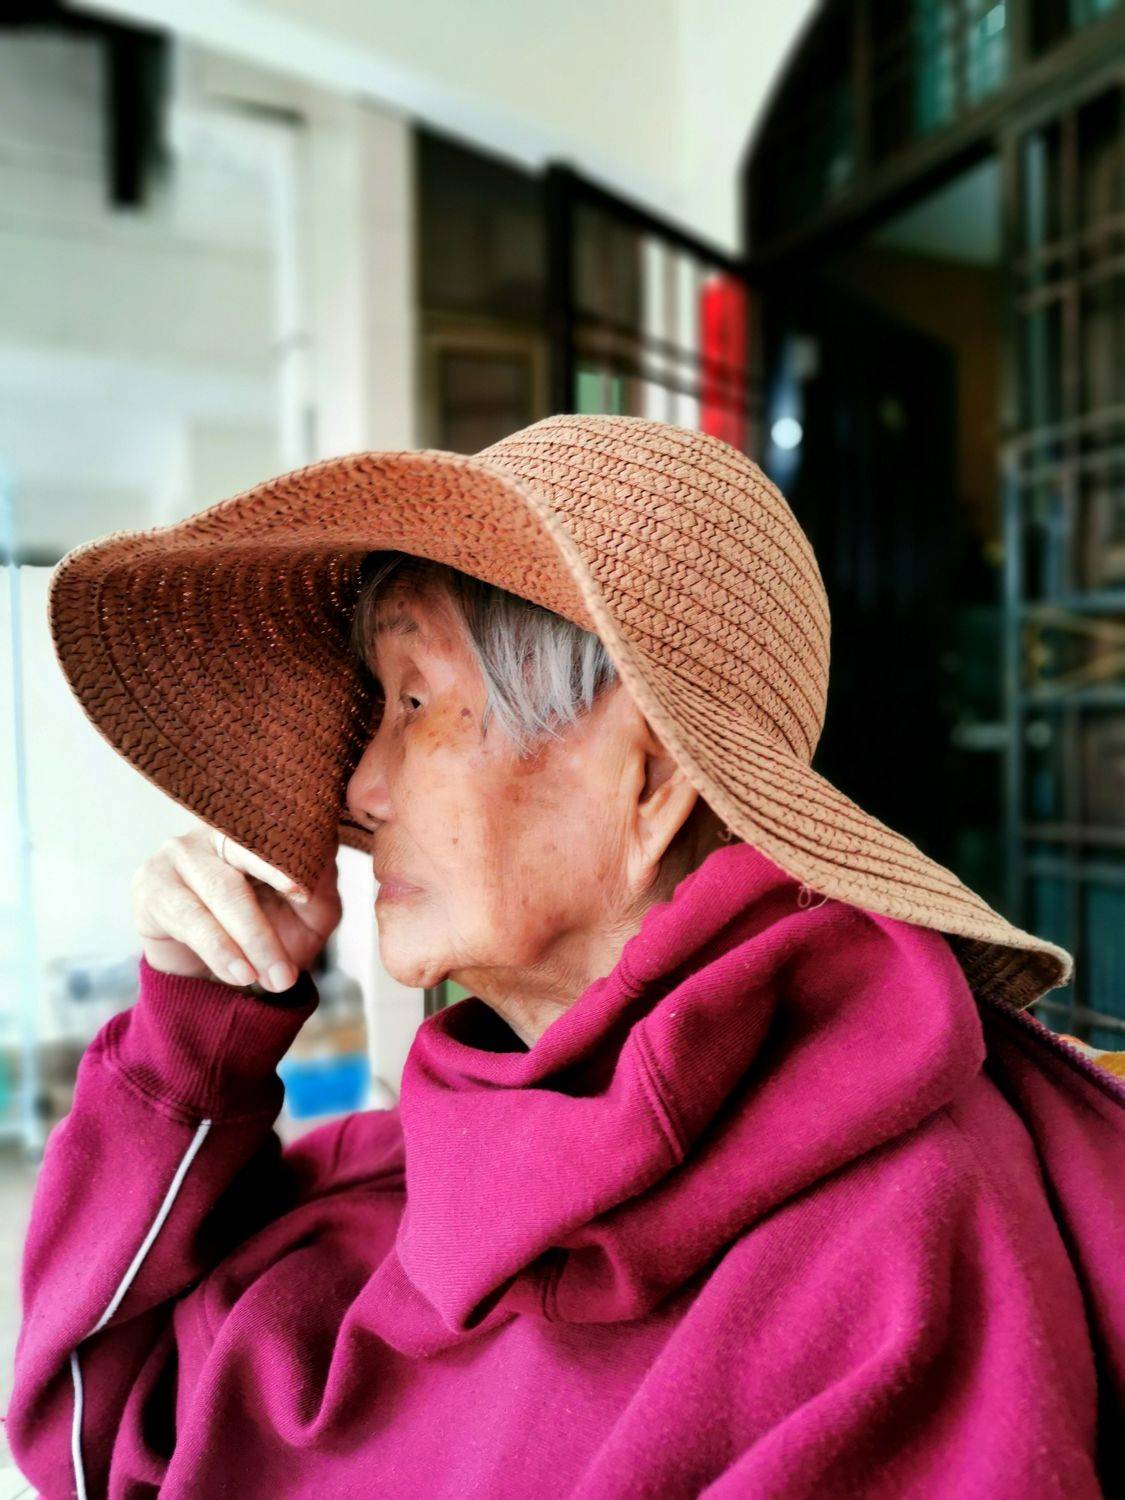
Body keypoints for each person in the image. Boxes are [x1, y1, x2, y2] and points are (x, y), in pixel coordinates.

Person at [6, 414, 1124, 1497]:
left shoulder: (897, 1256)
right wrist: (196, 1029)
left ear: (646, 780)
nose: (362, 788)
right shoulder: (401, 1176)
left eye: (415, 701)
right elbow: (96, 1438)